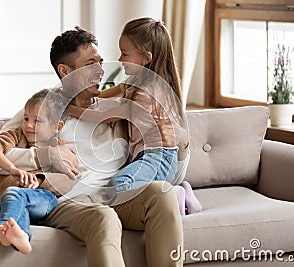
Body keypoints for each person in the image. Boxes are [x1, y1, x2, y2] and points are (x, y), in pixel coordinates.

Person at [0, 25, 184, 267]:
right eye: (89, 64)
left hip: (115, 195)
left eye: (100, 61)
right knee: (103, 216)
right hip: (67, 201)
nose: (100, 70)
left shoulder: (115, 111)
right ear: (65, 71)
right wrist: (46, 155)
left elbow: (159, 148)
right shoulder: (42, 109)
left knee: (162, 194)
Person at [69, 17, 202, 214]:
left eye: (125, 54)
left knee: (119, 185)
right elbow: (111, 91)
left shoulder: (145, 93)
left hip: (157, 158)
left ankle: (174, 194)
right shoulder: (139, 81)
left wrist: (71, 109)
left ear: (146, 58)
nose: (120, 59)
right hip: (150, 158)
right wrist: (89, 96)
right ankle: (182, 190)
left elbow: (106, 117)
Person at [0, 88, 73, 254]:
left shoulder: (58, 147)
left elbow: (68, 181)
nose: (28, 125)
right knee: (13, 194)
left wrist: (38, 180)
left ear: (56, 126)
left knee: (17, 194)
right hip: (7, 198)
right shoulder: (16, 136)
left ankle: (4, 228)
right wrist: (12, 169)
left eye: (37, 121)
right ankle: (19, 235)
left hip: (42, 200)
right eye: (26, 118)